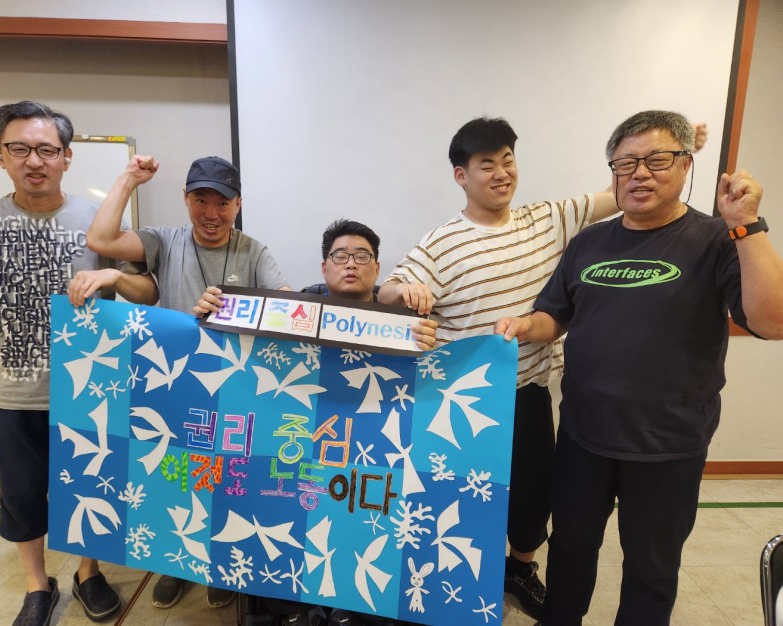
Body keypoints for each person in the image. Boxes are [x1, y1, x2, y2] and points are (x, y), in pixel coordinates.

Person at [495, 110, 783, 625]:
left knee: (651, 568)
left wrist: (747, 225)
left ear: (686, 165)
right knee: (569, 551)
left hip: (667, 445)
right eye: (625, 163)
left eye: (656, 160)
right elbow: (554, 315)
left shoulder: (717, 239)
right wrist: (523, 325)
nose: (639, 174)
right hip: (582, 437)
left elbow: (772, 321)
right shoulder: (589, 242)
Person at [376, 116, 626, 620]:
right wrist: (407, 291)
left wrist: (666, 153)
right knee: (463, 497)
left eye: (508, 161)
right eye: (486, 164)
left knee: (534, 495)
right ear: (460, 175)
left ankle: (520, 568)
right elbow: (387, 292)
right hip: (461, 400)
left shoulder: (546, 219)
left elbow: (614, 197)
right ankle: (463, 579)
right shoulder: (442, 241)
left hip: (528, 390)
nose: (501, 173)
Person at [0, 101, 156, 626]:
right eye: (19, 149)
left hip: (90, 386)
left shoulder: (94, 220)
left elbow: (147, 291)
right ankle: (37, 585)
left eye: (46, 149)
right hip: (14, 387)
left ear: (66, 156)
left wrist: (114, 277)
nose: (34, 161)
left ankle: (88, 573)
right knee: (21, 495)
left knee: (91, 487)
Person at [194, 218, 435, 626]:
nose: (351, 263)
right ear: (324, 268)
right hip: (299, 451)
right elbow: (241, 360)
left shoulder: (401, 323)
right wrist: (209, 314)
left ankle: (350, 607)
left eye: (362, 256)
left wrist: (428, 347)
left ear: (378, 268)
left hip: (366, 462)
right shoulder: (289, 313)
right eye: (340, 255)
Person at [86, 153, 291, 612]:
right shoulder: (164, 240)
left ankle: (220, 565)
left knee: (227, 481)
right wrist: (129, 178)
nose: (211, 213)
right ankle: (174, 564)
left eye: (223, 203)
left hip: (236, 390)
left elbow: (284, 304)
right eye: (201, 200)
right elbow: (100, 239)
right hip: (174, 387)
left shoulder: (254, 251)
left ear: (238, 205)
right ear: (186, 200)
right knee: (175, 479)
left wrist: (243, 308)